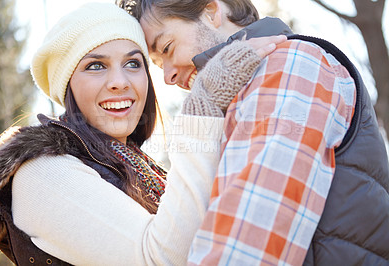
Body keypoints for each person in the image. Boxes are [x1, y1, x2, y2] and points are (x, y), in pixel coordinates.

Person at [0, 2, 284, 265]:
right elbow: (162, 258)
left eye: (133, 63)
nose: (120, 81)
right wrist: (203, 106)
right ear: (67, 87)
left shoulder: (140, 166)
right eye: (95, 66)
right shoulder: (42, 170)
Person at [119, 0, 389, 265]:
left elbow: (249, 243)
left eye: (167, 48)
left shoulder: (286, 64)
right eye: (157, 65)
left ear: (212, 11)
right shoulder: (244, 95)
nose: (167, 77)